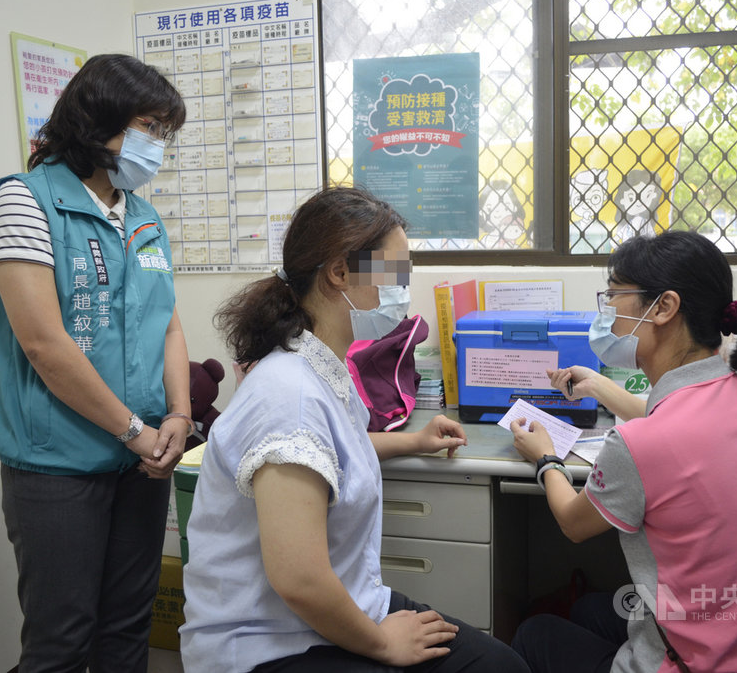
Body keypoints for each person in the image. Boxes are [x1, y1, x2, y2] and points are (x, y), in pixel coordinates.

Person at [180, 187, 530, 673]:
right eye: (394, 273)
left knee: (499, 665)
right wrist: (383, 645)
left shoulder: (319, 365)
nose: (402, 288)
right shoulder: (289, 395)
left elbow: (331, 449)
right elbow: (298, 578)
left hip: (333, 608)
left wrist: (415, 440)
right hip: (270, 642)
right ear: (340, 272)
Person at [508, 231, 737, 672]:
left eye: (614, 295)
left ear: (665, 307)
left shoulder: (639, 444)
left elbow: (573, 523)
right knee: (592, 608)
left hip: (692, 664)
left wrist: (545, 458)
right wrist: (598, 386)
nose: (608, 311)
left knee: (536, 631)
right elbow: (677, 421)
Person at [0, 54, 192, 672]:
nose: (156, 143)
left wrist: (179, 414)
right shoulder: (23, 201)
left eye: (163, 131)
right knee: (62, 641)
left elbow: (169, 324)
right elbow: (45, 346)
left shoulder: (144, 217)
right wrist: (136, 431)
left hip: (144, 459)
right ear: (98, 119)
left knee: (128, 629)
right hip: (59, 466)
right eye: (147, 124)